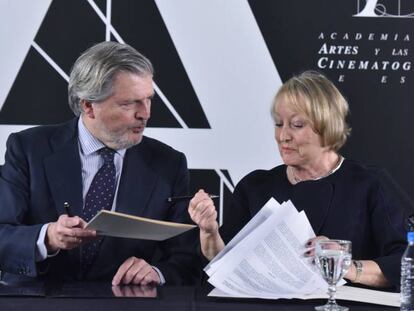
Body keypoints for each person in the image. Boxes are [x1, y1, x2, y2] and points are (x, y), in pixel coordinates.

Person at [0, 41, 200, 286]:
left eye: (148, 99)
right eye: (129, 103)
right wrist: (48, 237)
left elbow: (187, 259)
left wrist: (157, 273)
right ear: (88, 106)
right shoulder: (29, 149)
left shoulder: (169, 163)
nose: (145, 113)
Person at [189, 71, 409, 289]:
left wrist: (346, 266)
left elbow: (405, 263)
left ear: (327, 126)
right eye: (278, 124)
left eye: (296, 125)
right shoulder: (255, 186)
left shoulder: (370, 184)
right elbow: (224, 268)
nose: (283, 136)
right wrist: (210, 233)